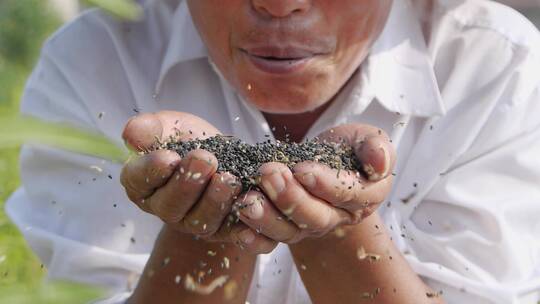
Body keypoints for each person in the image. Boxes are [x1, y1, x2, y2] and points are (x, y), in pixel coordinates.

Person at [5, 0, 540, 303]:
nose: (279, 5)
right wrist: (200, 232)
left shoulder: (494, 70)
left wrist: (339, 227)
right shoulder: (98, 65)